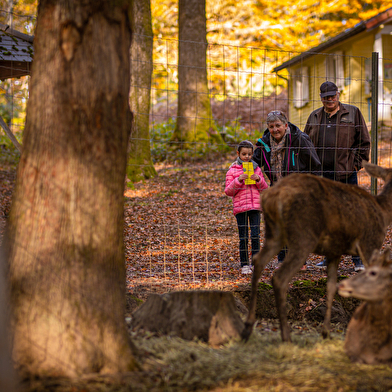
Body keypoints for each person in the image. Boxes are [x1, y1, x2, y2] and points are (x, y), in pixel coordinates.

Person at [304, 81, 371, 272]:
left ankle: (358, 259)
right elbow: (305, 144)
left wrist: (355, 164)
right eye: (326, 97)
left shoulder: (353, 112)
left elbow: (364, 142)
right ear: (321, 97)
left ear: (338, 94)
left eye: (332, 96)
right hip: (321, 177)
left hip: (345, 175)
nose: (329, 100)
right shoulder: (315, 116)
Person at [252, 110, 321, 265]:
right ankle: (283, 261)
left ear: (285, 125)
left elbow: (314, 165)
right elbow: (254, 162)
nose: (275, 129)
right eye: (271, 126)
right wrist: (238, 165)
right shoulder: (265, 143)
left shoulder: (300, 139)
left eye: (278, 125)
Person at [225, 140, 269, 274]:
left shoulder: (256, 168)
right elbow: (228, 191)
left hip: (255, 207)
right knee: (243, 237)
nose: (247, 157)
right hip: (240, 208)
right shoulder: (232, 170)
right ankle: (244, 264)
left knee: (255, 236)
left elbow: (265, 189)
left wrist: (258, 180)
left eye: (249, 154)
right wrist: (238, 180)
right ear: (238, 153)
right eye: (244, 154)